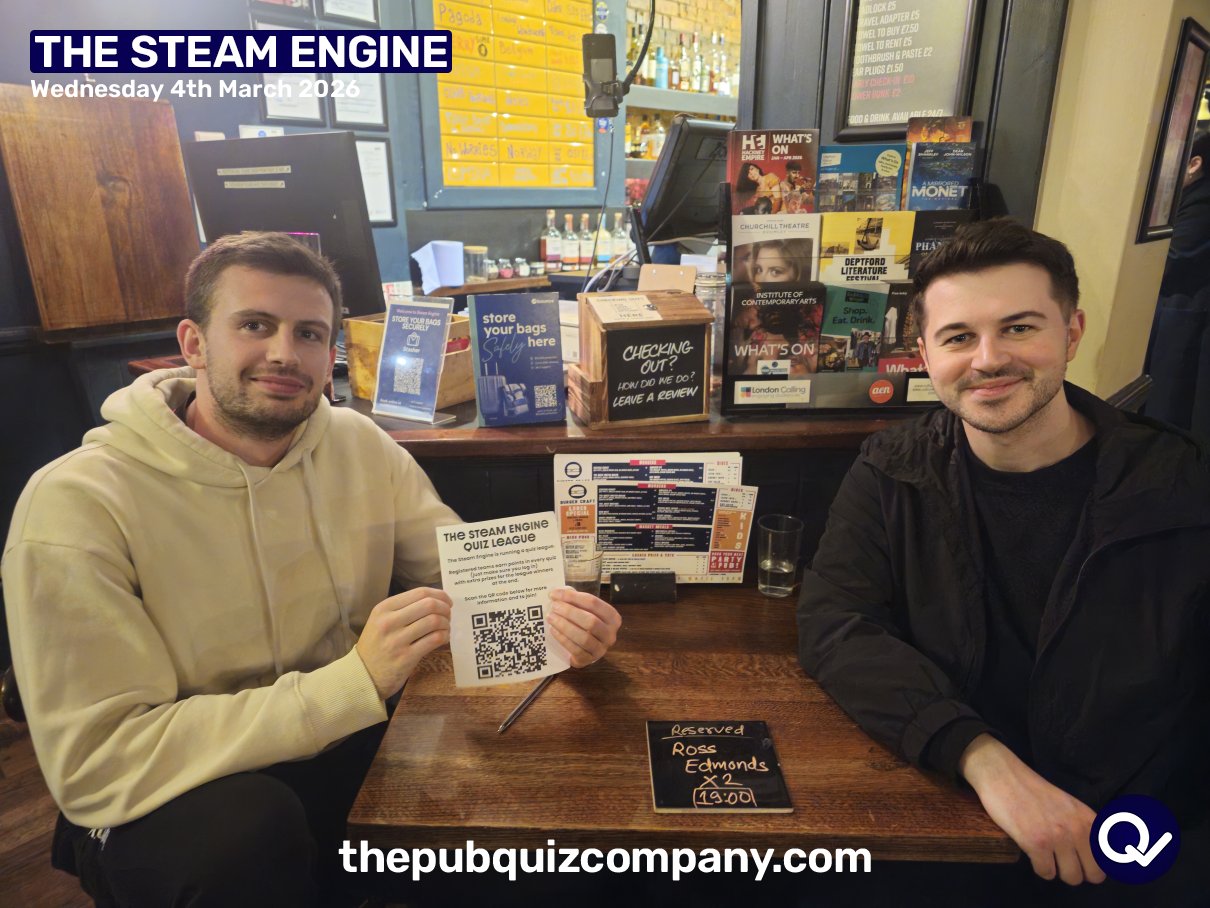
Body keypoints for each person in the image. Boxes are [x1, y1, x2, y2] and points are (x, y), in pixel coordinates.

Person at [2, 232, 622, 907]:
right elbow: (97, 764)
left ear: (330, 356)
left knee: (534, 788)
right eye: (254, 325)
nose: (284, 353)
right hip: (174, 792)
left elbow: (459, 574)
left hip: (341, 735)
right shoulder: (77, 502)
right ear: (193, 343)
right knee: (243, 835)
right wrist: (354, 682)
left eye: (308, 333)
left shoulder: (357, 443)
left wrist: (557, 624)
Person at [797, 218, 1210, 905]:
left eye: (1018, 328)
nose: (988, 359)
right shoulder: (892, 469)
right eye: (959, 337)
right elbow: (835, 622)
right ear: (924, 353)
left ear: (1072, 333)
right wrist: (979, 756)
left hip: (1132, 839)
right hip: (951, 815)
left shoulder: (1180, 487)